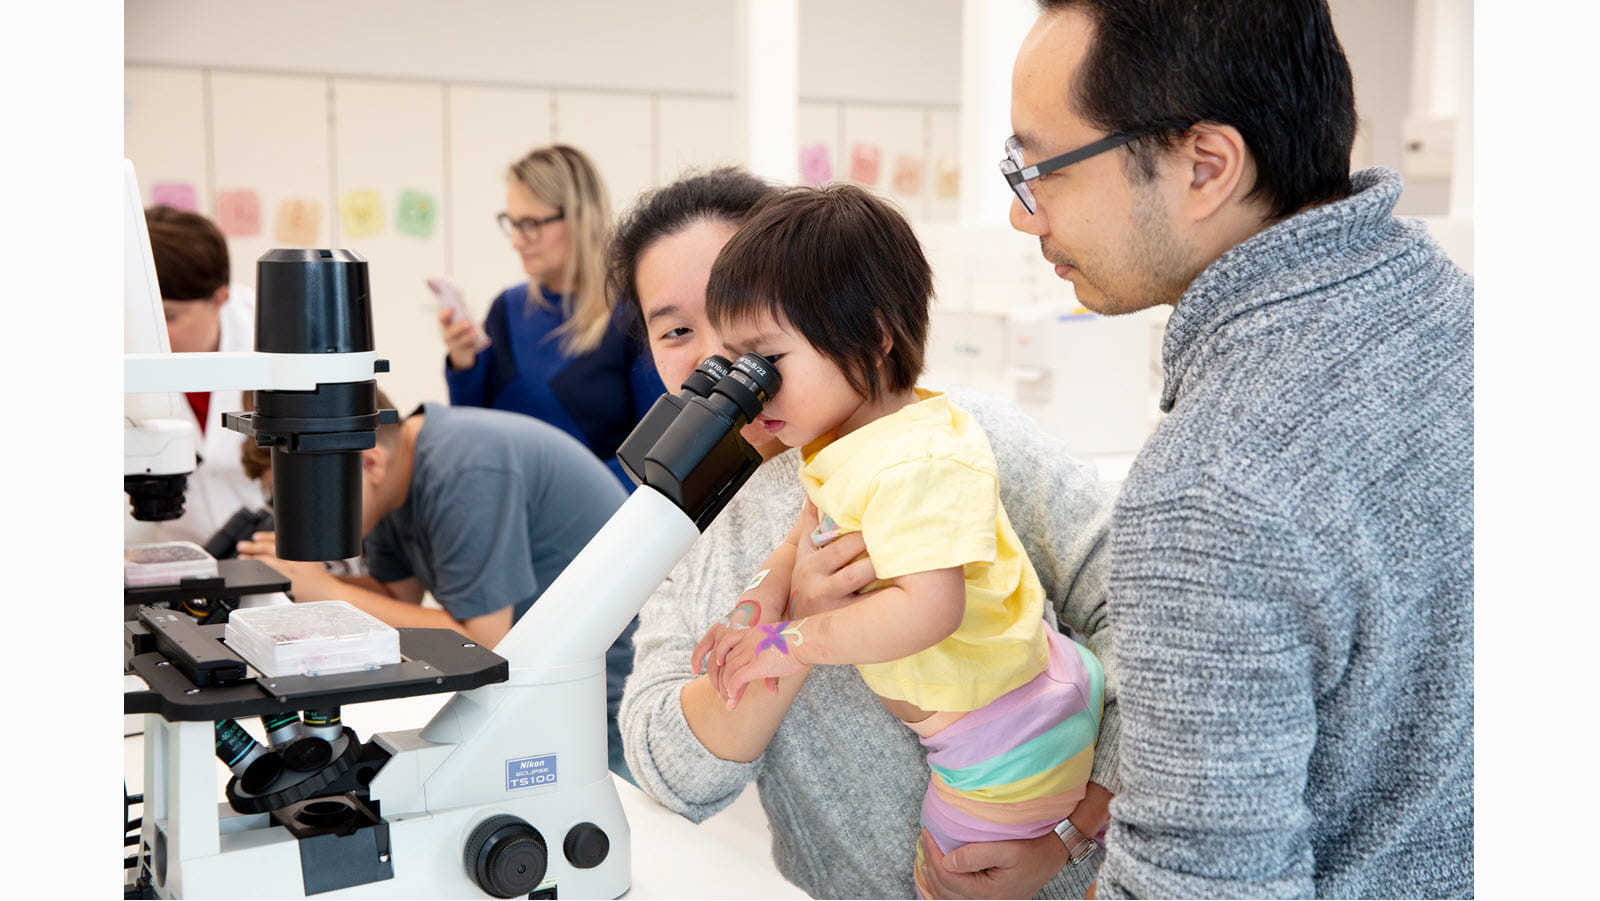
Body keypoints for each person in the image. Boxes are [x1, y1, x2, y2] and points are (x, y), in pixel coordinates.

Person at [1004, 1, 1473, 897]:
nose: (1027, 216)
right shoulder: (1460, 315)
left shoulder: (1211, 487)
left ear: (1206, 165)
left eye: (1042, 167)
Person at [612, 168, 1120, 899]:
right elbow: (670, 771)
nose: (723, 360)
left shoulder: (955, 438)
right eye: (679, 330)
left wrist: (1076, 829)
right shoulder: (685, 523)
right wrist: (793, 625)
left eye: (749, 333)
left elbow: (1146, 620)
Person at [237, 390, 640, 782]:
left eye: (305, 500)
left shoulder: (465, 469)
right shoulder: (389, 486)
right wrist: (305, 587)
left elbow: (483, 644)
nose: (296, 519)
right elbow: (397, 599)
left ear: (370, 463)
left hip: (606, 705)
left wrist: (328, 590)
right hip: (538, 690)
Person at [439, 143, 665, 488]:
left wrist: (562, 501)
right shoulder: (506, 309)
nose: (517, 240)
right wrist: (464, 363)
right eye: (511, 223)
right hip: (510, 517)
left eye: (530, 224)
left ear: (579, 218)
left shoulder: (631, 314)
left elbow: (653, 453)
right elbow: (472, 434)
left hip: (601, 522)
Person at [131, 205, 266, 546]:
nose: (153, 334)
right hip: (173, 547)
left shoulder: (272, 337)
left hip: (272, 547)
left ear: (220, 297)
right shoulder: (128, 341)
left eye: (169, 317)